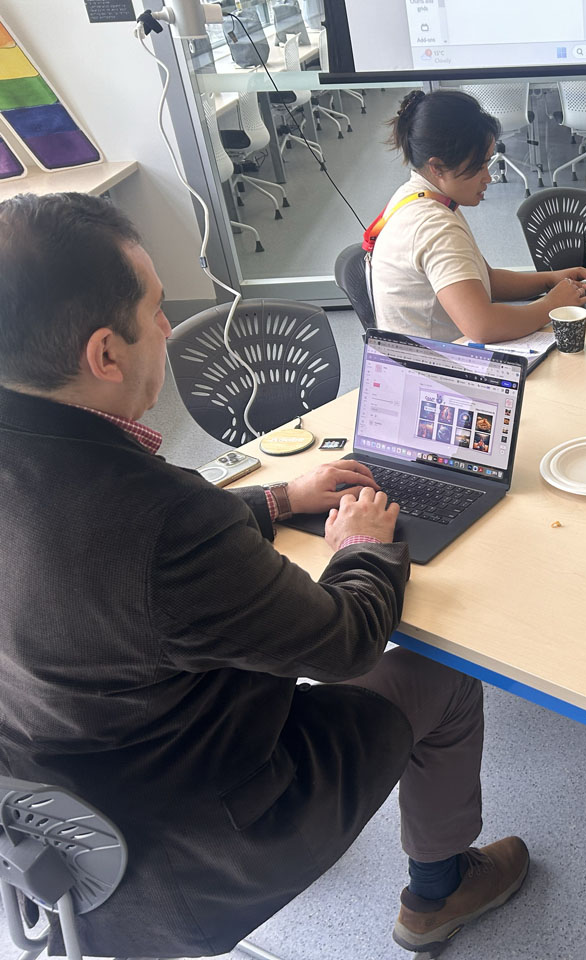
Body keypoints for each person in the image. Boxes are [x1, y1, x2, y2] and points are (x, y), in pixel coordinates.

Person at [0, 192, 528, 957]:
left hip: (54, 836)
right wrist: (362, 548)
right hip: (191, 859)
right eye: (155, 309)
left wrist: (280, 498)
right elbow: (345, 643)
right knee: (441, 678)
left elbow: (125, 561)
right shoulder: (163, 520)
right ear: (105, 355)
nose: (168, 326)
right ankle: (439, 891)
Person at [370, 88, 586, 344]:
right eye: (479, 166)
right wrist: (552, 305)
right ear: (437, 167)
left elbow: (487, 280)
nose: (488, 177)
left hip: (424, 355)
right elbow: (483, 326)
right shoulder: (434, 226)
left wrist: (551, 279)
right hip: (434, 365)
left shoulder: (418, 195)